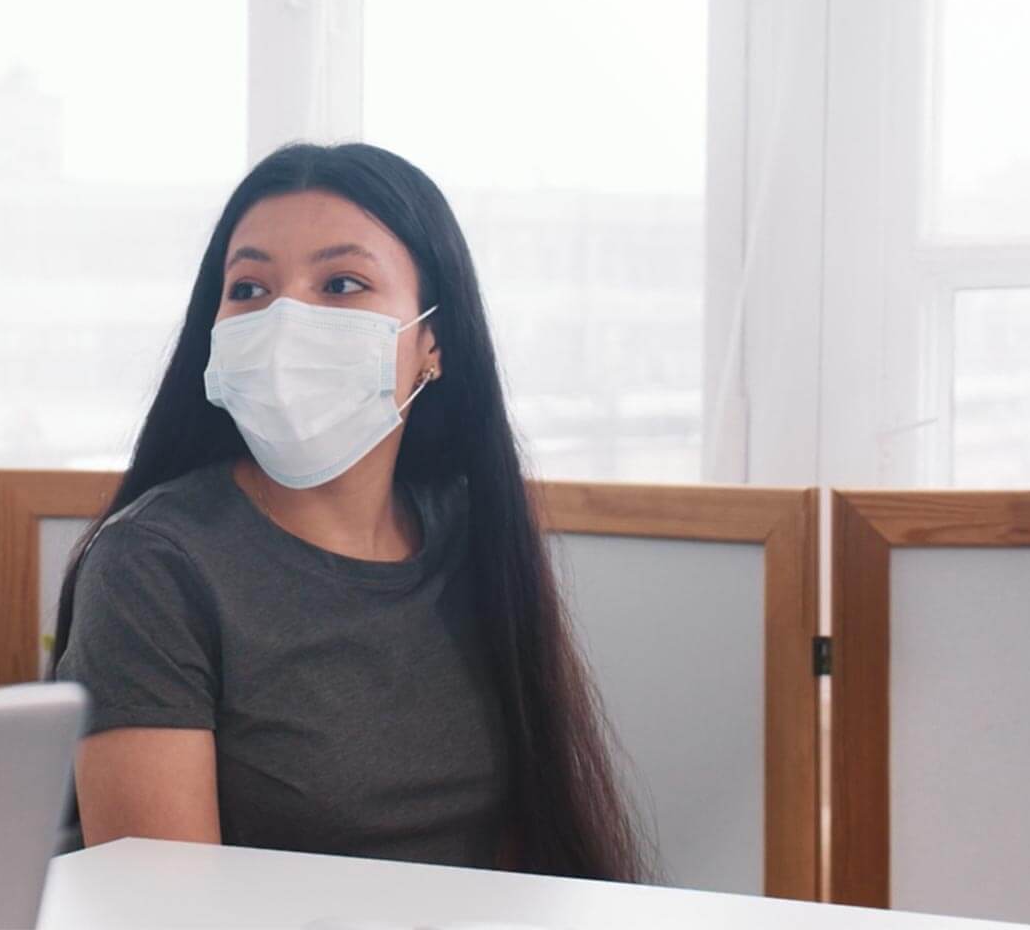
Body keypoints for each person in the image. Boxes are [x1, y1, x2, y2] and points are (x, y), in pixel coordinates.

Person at [52, 143, 648, 881]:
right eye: (248, 289)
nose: (284, 322)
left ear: (431, 342)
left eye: (340, 283)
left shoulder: (474, 533)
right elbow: (159, 907)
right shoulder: (152, 566)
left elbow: (526, 851)